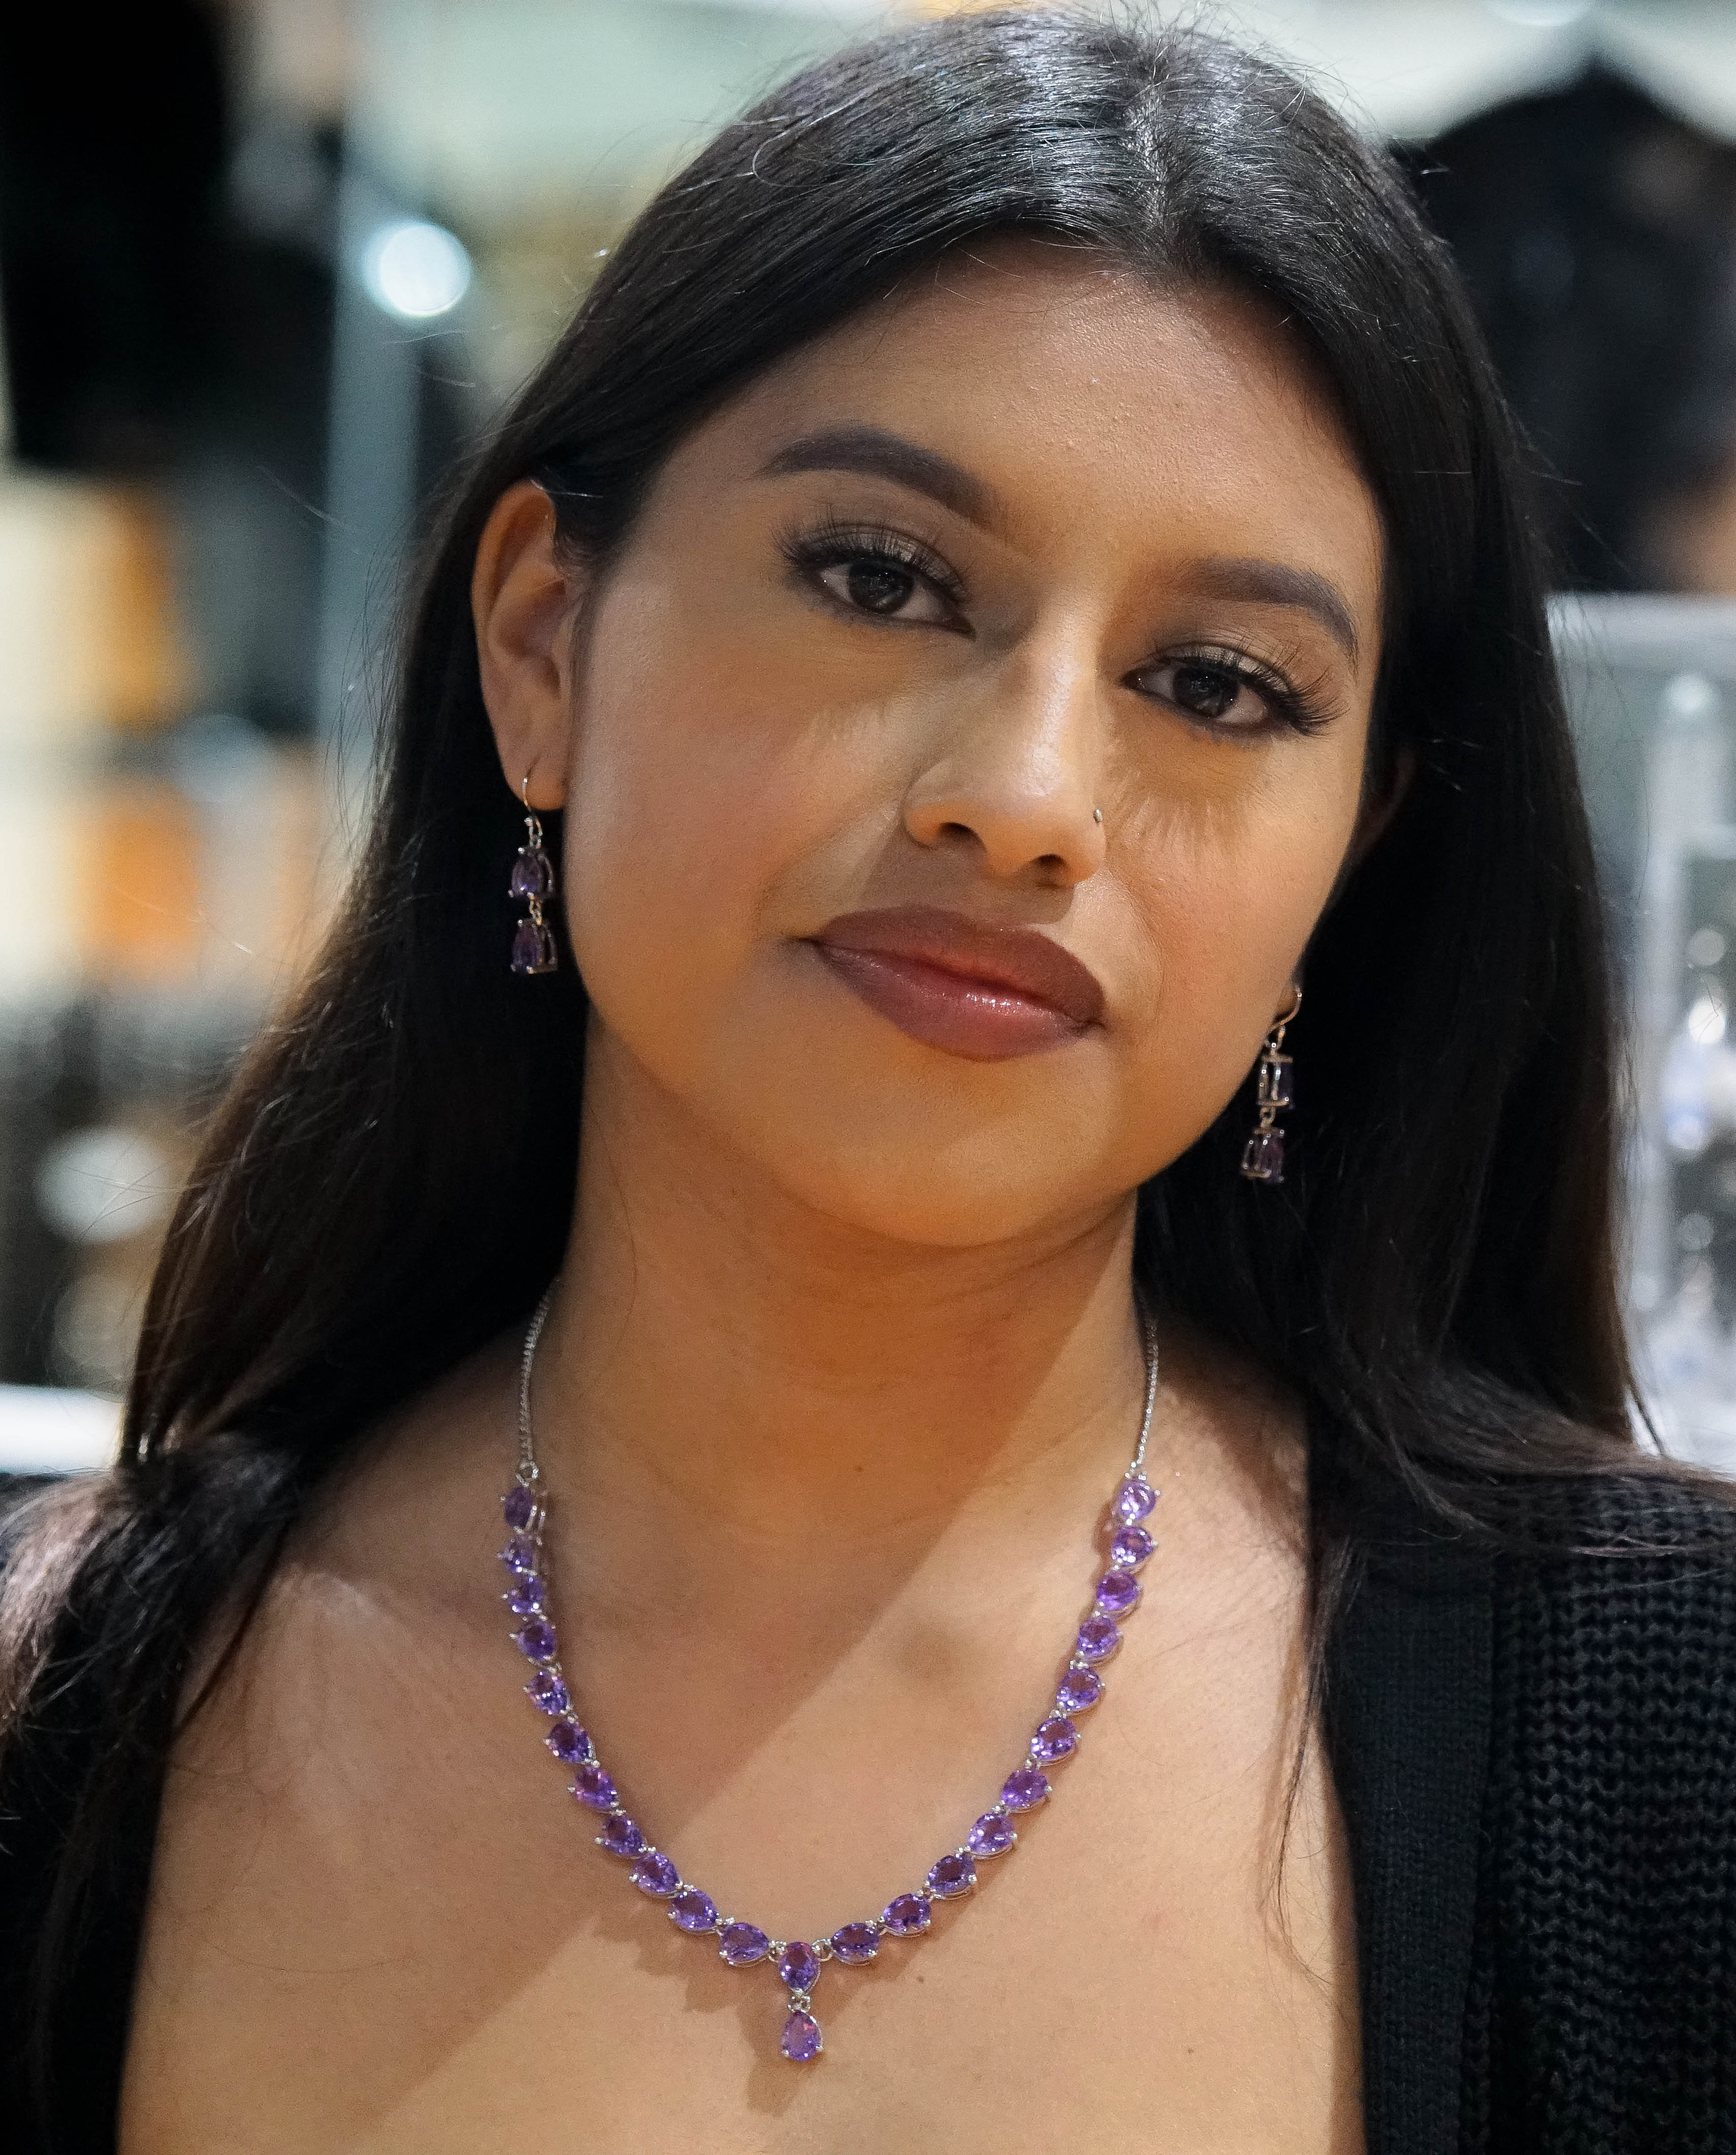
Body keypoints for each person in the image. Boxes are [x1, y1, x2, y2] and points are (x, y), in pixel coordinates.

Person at [4, 11, 1733, 2150]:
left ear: (1349, 860)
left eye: (1218, 684)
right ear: (544, 644)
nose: (1022, 802)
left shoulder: (1663, 1742)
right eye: (882, 577)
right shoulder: (82, 1715)